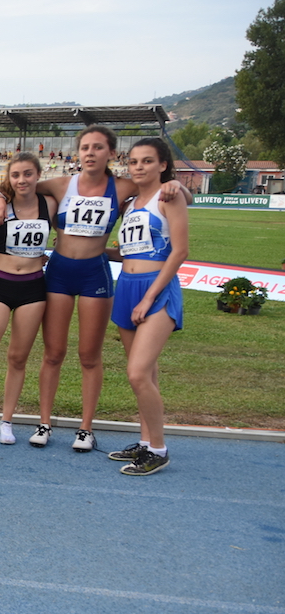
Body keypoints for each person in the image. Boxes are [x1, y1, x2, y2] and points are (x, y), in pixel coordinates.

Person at [0, 125, 189, 451]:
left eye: (98, 147)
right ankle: (44, 423)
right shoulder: (61, 184)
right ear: (78, 153)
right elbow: (18, 183)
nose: (90, 153)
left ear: (111, 153)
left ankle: (86, 428)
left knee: (89, 356)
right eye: (85, 148)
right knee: (53, 353)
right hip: (60, 273)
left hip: (95, 275)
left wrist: (176, 184)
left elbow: (167, 192)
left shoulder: (122, 187)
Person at [107, 138, 188, 475]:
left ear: (162, 165)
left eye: (147, 161)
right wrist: (94, 252)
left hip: (156, 289)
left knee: (138, 373)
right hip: (126, 286)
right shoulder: (130, 204)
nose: (138, 167)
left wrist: (149, 297)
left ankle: (158, 449)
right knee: (146, 373)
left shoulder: (170, 196)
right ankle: (145, 441)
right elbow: (130, 252)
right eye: (134, 161)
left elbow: (180, 251)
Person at [0, 152, 55, 445]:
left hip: (33, 288)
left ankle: (7, 421)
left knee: (18, 358)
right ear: (9, 178)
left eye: (28, 174)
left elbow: (70, 235)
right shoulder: (1, 207)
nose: (22, 180)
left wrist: (50, 253)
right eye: (16, 175)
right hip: (1, 284)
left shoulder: (49, 204)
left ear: (38, 175)